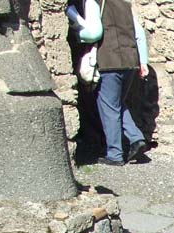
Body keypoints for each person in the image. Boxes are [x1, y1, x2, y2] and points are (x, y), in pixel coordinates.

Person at [68, 0, 149, 166]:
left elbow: (94, 33)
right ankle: (136, 138)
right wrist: (143, 61)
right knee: (117, 103)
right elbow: (139, 32)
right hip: (130, 60)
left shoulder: (93, 2)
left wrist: (76, 32)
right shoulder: (124, 3)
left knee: (108, 108)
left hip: (109, 60)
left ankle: (115, 154)